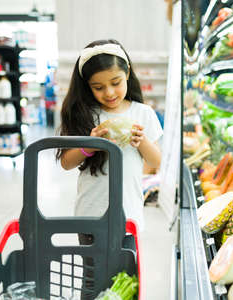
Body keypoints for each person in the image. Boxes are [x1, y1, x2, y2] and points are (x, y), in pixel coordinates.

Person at [56, 39, 162, 299]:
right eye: (98, 87)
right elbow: (66, 163)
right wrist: (90, 145)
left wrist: (142, 141)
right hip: (91, 213)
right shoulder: (84, 113)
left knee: (125, 280)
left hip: (129, 213)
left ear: (127, 73)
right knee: (92, 279)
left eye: (116, 82)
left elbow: (157, 162)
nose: (110, 93)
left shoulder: (143, 113)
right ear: (87, 87)